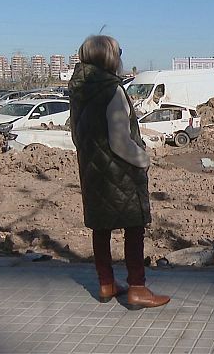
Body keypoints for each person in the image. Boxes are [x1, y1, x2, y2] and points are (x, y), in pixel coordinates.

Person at [68, 35, 169, 309]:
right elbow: (120, 140)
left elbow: (77, 135)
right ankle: (137, 288)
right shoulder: (112, 90)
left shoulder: (78, 91)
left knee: (100, 229)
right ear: (110, 58)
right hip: (121, 174)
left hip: (92, 173)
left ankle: (106, 284)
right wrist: (143, 159)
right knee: (133, 228)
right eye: (119, 52)